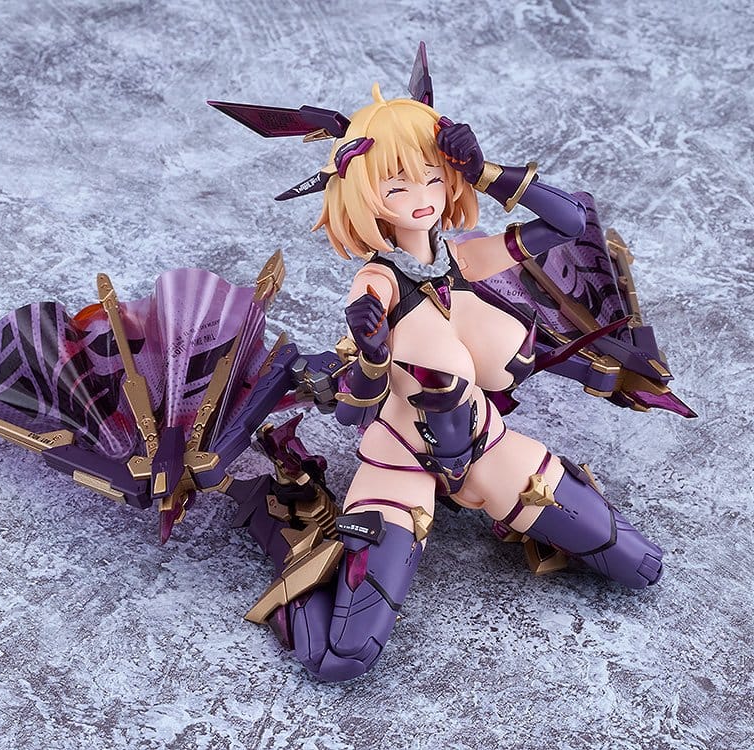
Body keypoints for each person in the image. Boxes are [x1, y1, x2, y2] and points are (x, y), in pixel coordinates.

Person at [210, 48, 667, 682]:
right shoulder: (377, 284)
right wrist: (373, 353)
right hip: (399, 463)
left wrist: (486, 173)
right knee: (344, 656)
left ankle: (526, 514)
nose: (421, 197)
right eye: (396, 185)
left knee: (641, 565)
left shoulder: (464, 259)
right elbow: (355, 403)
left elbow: (571, 222)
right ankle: (285, 536)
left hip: (487, 446)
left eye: (431, 177)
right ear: (365, 195)